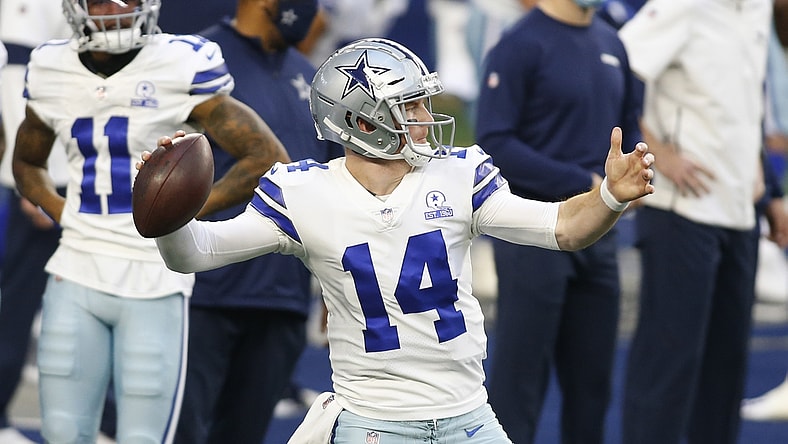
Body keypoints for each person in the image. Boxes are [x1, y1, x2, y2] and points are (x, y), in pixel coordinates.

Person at [143, 37, 655, 442]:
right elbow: (195, 252)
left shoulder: (458, 174)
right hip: (373, 423)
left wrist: (609, 196)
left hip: (468, 416)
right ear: (360, 121)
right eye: (409, 107)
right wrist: (167, 212)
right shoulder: (302, 192)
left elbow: (564, 228)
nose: (425, 118)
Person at [11, 0, 290, 442]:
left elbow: (266, 157)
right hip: (76, 269)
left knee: (144, 438)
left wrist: (176, 215)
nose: (114, 8)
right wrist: (62, 210)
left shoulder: (181, 63)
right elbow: (27, 161)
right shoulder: (51, 65)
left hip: (154, 278)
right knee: (63, 432)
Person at [172, 1, 342, 443]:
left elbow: (335, 187)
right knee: (179, 433)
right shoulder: (194, 62)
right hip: (200, 294)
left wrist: (336, 282)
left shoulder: (314, 78)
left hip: (282, 298)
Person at [474, 0, 642, 442]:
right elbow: (495, 142)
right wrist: (583, 182)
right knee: (520, 381)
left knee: (592, 385)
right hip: (532, 232)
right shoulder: (519, 44)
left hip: (600, 235)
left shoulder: (612, 42)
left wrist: (629, 174)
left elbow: (629, 128)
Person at [617, 1, 774, 443]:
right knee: (667, 363)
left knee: (727, 366)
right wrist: (656, 152)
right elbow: (617, 67)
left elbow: (745, 100)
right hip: (680, 212)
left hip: (740, 210)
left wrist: (771, 190)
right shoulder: (682, 4)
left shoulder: (759, 7)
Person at [0, 3, 70, 443]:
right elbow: (15, 76)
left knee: (23, 307)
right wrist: (34, 177)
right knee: (15, 305)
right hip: (31, 178)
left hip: (43, 176)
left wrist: (41, 175)